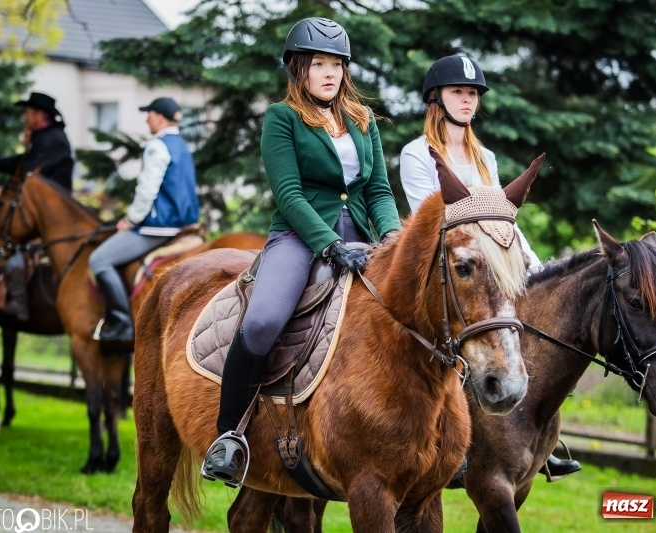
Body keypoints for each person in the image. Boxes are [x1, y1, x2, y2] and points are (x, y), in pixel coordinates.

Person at [201, 17, 401, 488]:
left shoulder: (362, 120)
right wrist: (329, 245)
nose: (329, 73)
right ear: (298, 69)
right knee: (265, 320)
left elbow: (378, 190)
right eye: (318, 64)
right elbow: (289, 195)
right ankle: (228, 436)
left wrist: (392, 241)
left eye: (336, 64)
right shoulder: (282, 117)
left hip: (363, 237)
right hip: (298, 236)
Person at [399, 54, 581, 482]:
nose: (467, 101)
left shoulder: (485, 156)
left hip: (487, 263)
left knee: (525, 331)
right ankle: (454, 442)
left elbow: (502, 219)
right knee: (466, 338)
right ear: (436, 98)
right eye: (458, 92)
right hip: (444, 265)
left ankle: (539, 440)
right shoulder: (416, 153)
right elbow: (431, 220)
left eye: (472, 94)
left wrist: (533, 265)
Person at [88, 97, 199, 343]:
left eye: (148, 114)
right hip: (185, 225)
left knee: (99, 260)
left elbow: (147, 190)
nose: (146, 119)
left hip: (157, 227)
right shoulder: (181, 145)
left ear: (159, 117)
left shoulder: (157, 145)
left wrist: (130, 219)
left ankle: (121, 322)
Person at [0, 92, 74, 321]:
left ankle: (18, 302)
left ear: (39, 115)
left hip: (51, 210)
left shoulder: (52, 139)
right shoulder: (43, 138)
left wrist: (6, 190)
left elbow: (30, 174)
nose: (24, 117)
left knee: (10, 240)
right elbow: (23, 165)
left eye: (27, 112)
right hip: (40, 207)